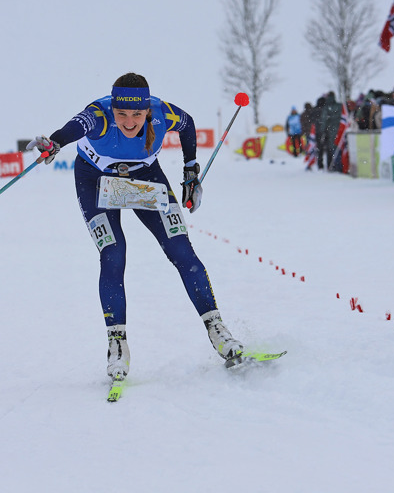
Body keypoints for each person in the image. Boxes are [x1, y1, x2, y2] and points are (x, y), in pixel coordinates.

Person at [23, 72, 245, 381]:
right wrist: (56, 142)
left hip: (145, 179)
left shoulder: (161, 112)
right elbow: (75, 127)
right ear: (113, 108)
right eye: (122, 113)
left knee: (181, 249)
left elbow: (188, 123)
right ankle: (117, 344)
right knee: (114, 253)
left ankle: (217, 328)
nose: (129, 121)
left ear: (147, 111)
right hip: (95, 181)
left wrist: (190, 170)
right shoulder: (99, 115)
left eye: (137, 114)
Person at [318, 92, 343, 170]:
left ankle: (333, 166)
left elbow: (324, 121)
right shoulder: (340, 106)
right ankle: (341, 166)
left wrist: (322, 131)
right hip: (340, 130)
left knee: (331, 149)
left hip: (331, 131)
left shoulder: (326, 107)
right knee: (340, 147)